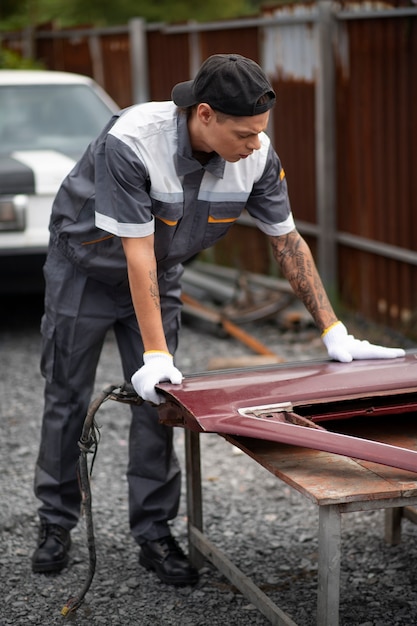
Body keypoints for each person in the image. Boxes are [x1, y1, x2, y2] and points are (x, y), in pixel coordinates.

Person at [31, 53, 405, 586]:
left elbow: (287, 241)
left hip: (159, 269)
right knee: (67, 395)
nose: (256, 144)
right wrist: (156, 354)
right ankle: (55, 522)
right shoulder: (135, 140)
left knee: (159, 404)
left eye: (260, 132)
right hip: (85, 268)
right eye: (245, 133)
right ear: (204, 114)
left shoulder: (257, 154)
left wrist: (334, 330)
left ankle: (155, 532)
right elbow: (135, 252)